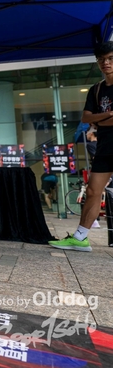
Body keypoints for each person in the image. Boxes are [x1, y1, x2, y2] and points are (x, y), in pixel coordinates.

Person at [49, 42, 113, 251]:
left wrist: (99, 119)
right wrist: (108, 115)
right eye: (101, 59)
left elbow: (94, 119)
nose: (106, 63)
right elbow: (86, 118)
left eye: (110, 58)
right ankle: (80, 238)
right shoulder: (96, 89)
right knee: (93, 191)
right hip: (105, 146)